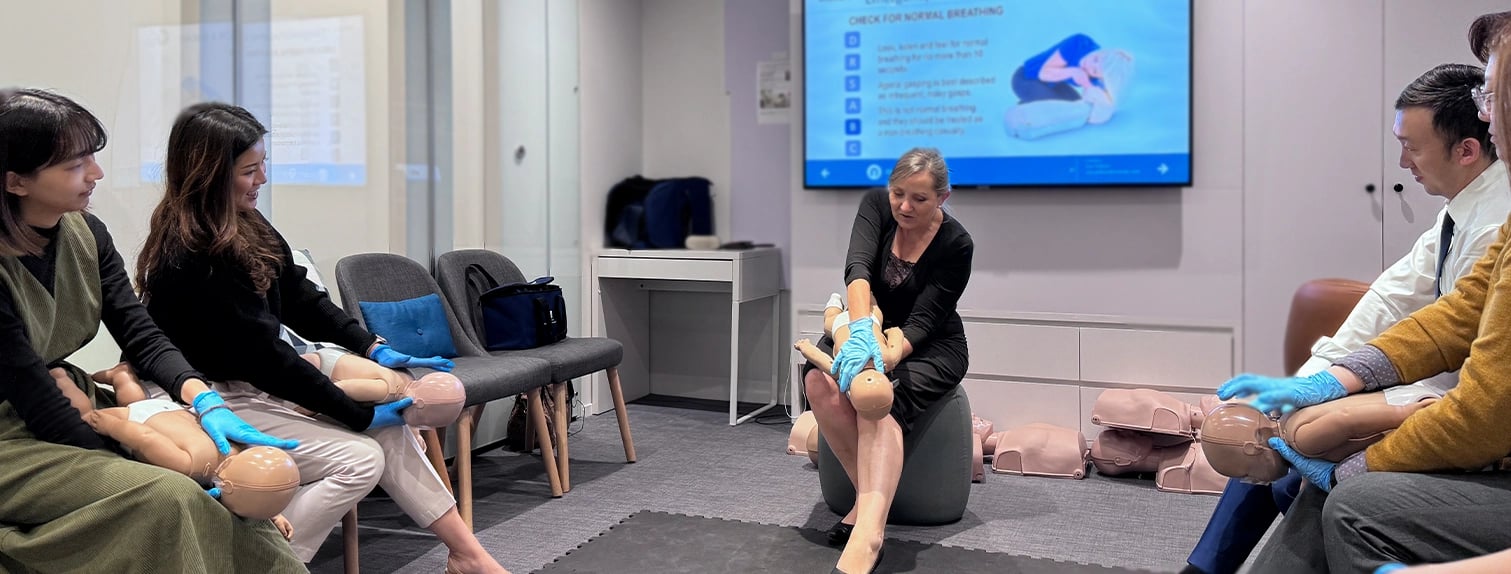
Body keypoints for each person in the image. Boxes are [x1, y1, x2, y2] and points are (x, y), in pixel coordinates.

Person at [134, 102, 508, 573]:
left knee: (386, 430)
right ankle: (264, 565)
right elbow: (266, 358)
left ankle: (466, 555)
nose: (263, 180)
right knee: (360, 459)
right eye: (251, 170)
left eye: (262, 165)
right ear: (209, 175)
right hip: (203, 400)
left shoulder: (246, 224)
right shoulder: (194, 254)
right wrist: (355, 414)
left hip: (248, 386)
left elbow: (302, 298)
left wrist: (372, 347)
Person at [1182, 61, 1511, 574]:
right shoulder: (1467, 211)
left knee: (1330, 486)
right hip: (1459, 404)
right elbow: (1426, 309)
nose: (1486, 114)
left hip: (1467, 412)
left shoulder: (1496, 217)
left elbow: (1482, 400)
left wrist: (1353, 441)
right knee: (1293, 441)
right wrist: (1317, 382)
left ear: (1467, 150)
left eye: (1492, 97)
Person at [0, 88, 305, 573]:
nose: (96, 175)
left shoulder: (86, 234)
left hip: (61, 403)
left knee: (236, 489)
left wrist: (202, 398)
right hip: (14, 435)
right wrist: (138, 459)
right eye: (76, 165)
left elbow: (139, 331)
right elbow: (33, 395)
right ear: (16, 181)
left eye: (92, 159)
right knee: (171, 494)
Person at [802, 147, 973, 574]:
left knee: (878, 400)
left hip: (929, 343)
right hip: (870, 326)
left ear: (943, 198)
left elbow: (925, 320)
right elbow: (857, 270)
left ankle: (869, 535)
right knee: (817, 381)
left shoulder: (956, 243)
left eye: (919, 198)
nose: (903, 206)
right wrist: (861, 332)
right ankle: (868, 502)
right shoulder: (875, 206)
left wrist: (881, 358)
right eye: (898, 193)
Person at [1011, 33, 1111, 104]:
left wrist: (1087, 84)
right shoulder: (1079, 43)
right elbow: (1043, 73)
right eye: (1096, 59)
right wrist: (1073, 72)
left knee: (1077, 104)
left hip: (1053, 84)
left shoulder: (1098, 74)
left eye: (1094, 71)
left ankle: (1034, 100)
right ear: (1101, 52)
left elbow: (1101, 98)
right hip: (1026, 78)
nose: (1088, 66)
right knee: (1060, 107)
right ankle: (1029, 104)